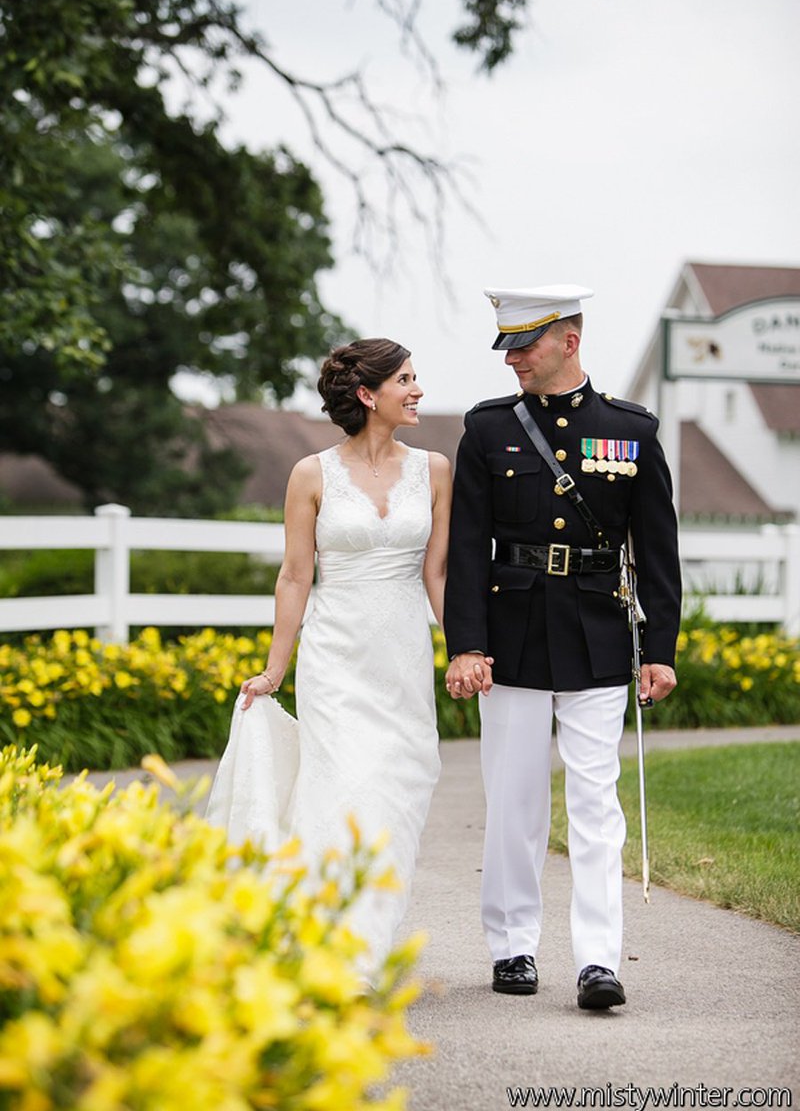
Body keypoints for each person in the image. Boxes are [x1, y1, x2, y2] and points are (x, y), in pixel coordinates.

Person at [443, 285, 681, 1010]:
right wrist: (467, 645)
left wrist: (660, 647)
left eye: (526, 345)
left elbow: (660, 551)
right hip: (510, 636)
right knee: (513, 800)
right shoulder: (487, 431)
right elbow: (466, 550)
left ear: (569, 342)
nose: (513, 358)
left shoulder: (631, 430)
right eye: (508, 346)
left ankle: (598, 961)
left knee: (595, 802)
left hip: (598, 633)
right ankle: (512, 945)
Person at [206, 338, 449, 977]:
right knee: (341, 790)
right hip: (334, 657)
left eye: (415, 377)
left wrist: (468, 651)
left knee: (397, 791)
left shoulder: (436, 470)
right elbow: (294, 576)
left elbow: (439, 574)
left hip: (400, 656)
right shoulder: (311, 474)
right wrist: (274, 670)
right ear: (368, 395)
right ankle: (336, 954)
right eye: (405, 378)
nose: (417, 389)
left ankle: (364, 934)